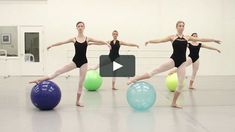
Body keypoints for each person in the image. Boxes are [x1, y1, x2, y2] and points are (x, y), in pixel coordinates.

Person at [127, 21, 221, 108]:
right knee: (155, 71)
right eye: (180, 26)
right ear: (176, 27)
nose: (181, 27)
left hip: (182, 63)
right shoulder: (172, 37)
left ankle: (174, 103)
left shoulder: (187, 37)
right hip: (173, 60)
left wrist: (213, 40)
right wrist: (150, 41)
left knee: (180, 85)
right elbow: (160, 40)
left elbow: (201, 39)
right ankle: (134, 79)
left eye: (183, 26)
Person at [29, 21, 111, 107]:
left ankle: (77, 101)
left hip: (84, 63)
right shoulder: (74, 39)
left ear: (84, 27)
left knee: (80, 83)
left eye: (81, 26)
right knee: (58, 72)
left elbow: (98, 40)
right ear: (76, 28)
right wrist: (52, 45)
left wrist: (106, 43)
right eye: (78, 26)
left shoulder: (87, 39)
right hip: (75, 61)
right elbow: (62, 42)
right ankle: (40, 80)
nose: (80, 27)